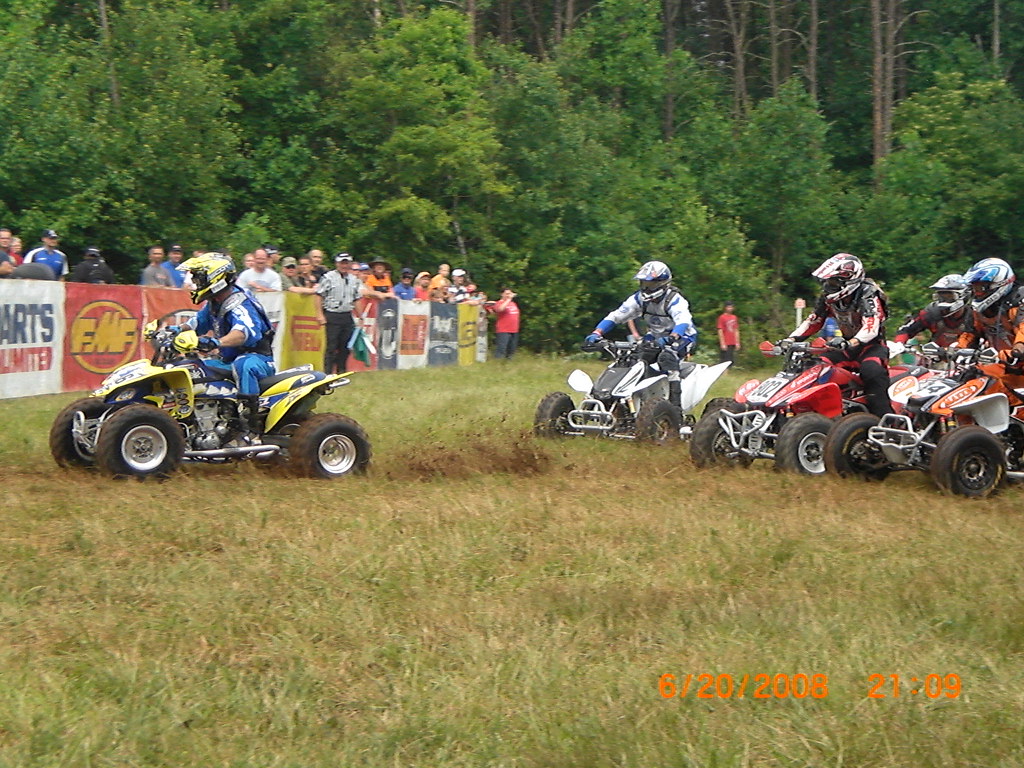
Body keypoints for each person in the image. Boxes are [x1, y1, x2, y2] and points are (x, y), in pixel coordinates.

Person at [177, 253, 275, 435]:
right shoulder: (215, 302)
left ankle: (250, 424)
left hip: (258, 359)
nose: (196, 283)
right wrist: (174, 331)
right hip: (227, 358)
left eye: (199, 278)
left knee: (243, 365)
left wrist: (216, 342)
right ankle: (198, 423)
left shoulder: (239, 302)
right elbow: (196, 324)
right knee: (192, 368)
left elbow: (243, 332)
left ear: (215, 278)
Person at [784, 253, 892, 418]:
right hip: (844, 346)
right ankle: (810, 412)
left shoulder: (868, 294)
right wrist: (790, 339)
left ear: (849, 279)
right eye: (827, 282)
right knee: (814, 367)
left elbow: (871, 325)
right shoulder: (828, 298)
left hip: (871, 347)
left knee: (872, 371)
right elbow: (814, 320)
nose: (829, 286)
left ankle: (885, 420)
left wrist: (852, 342)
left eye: (833, 282)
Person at [584, 261, 697, 409]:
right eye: (644, 283)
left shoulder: (675, 300)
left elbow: (683, 321)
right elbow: (616, 316)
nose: (646, 288)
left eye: (650, 284)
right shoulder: (638, 299)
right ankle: (628, 399)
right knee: (631, 358)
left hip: (682, 336)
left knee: (667, 357)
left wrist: (672, 337)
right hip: (655, 336)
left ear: (663, 283)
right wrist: (597, 333)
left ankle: (675, 407)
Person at [954, 258, 1024, 402]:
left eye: (980, 288)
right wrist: (956, 351)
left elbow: (1022, 332)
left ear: (998, 284)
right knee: (967, 380)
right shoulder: (978, 311)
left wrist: (1016, 352)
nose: (977, 292)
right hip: (1005, 368)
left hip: (1017, 365)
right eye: (974, 288)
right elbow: (970, 334)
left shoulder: (1018, 303)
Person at [891, 274, 970, 352]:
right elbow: (906, 329)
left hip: (967, 360)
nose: (944, 300)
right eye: (941, 296)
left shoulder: (974, 316)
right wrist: (899, 344)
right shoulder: (932, 313)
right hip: (935, 357)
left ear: (963, 295)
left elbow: (982, 336)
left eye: (949, 296)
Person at [314, 253, 363, 374]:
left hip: (347, 314)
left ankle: (342, 371)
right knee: (331, 346)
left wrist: (360, 316)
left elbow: (356, 298)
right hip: (332, 314)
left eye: (347, 263)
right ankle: (327, 372)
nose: (344, 265)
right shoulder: (328, 277)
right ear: (336, 263)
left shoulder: (354, 280)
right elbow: (319, 295)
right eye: (342, 263)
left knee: (345, 346)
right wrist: (320, 314)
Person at [490, 288, 521, 359]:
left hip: (514, 329)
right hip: (504, 330)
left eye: (510, 294)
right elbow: (500, 309)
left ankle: (508, 363)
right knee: (501, 348)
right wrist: (508, 299)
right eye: (506, 294)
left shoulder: (513, 304)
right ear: (502, 294)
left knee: (512, 349)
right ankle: (498, 362)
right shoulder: (499, 303)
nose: (508, 295)